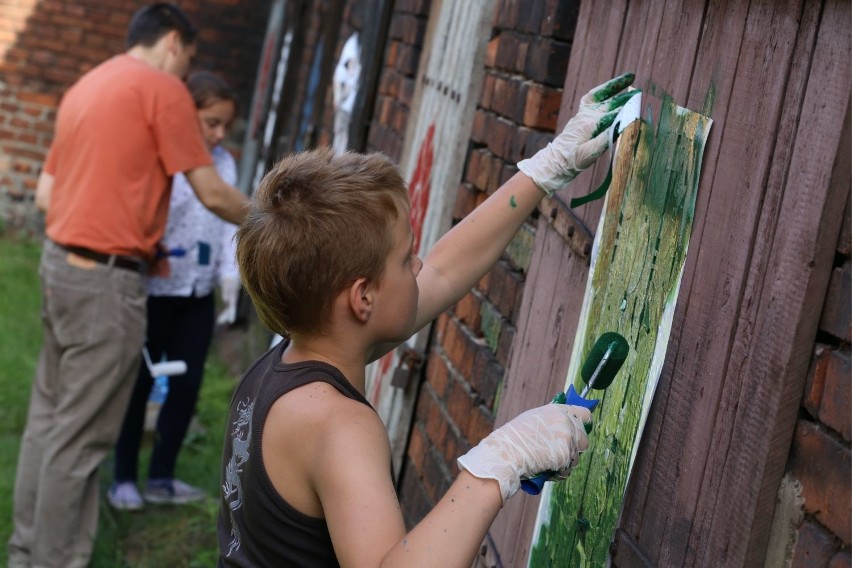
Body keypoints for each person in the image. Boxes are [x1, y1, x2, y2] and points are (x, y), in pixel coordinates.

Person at [217, 72, 637, 566]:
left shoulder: (283, 369)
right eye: (404, 259)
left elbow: (441, 270)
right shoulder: (339, 424)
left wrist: (544, 170)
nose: (418, 265)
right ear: (362, 299)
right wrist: (497, 465)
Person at [9, 4, 249, 567]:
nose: (186, 73)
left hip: (59, 265)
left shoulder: (87, 86)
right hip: (107, 286)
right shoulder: (162, 90)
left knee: (47, 425)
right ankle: (55, 560)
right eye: (188, 58)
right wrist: (278, 218)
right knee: (82, 437)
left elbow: (46, 197)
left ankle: (25, 553)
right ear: (173, 41)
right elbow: (213, 194)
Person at [108, 71, 242, 511]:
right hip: (155, 289)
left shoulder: (224, 163)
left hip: (197, 294)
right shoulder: (163, 157)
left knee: (186, 385)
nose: (219, 134)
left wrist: (229, 278)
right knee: (139, 380)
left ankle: (162, 476)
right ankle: (123, 476)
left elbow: (228, 227)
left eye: (226, 125)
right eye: (211, 123)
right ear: (187, 116)